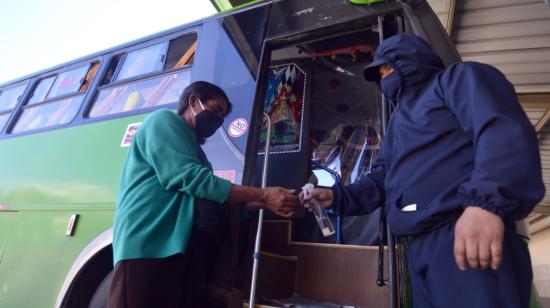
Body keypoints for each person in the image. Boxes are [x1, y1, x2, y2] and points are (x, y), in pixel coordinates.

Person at [301, 34, 544, 308]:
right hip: (417, 251)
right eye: (379, 72)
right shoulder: (396, 125)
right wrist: (337, 197)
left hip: (463, 234)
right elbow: (381, 180)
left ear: (410, 61)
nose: (383, 76)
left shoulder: (457, 80)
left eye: (387, 66)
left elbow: (501, 129)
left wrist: (485, 206)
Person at [109, 81, 299, 308]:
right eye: (216, 109)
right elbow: (192, 180)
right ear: (193, 101)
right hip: (148, 244)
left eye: (222, 116)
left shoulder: (196, 151)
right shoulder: (163, 120)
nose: (218, 120)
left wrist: (267, 202)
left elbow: (211, 201)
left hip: (176, 249)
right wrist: (263, 194)